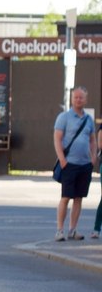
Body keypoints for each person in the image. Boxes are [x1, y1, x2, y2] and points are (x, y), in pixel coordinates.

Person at [55, 87, 95, 241]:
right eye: (76, 97)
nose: (78, 100)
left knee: (79, 198)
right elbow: (57, 138)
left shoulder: (89, 119)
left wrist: (93, 157)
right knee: (65, 197)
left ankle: (72, 230)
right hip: (69, 164)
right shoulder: (64, 117)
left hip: (85, 165)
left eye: (81, 97)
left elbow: (92, 140)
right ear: (72, 99)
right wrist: (62, 159)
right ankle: (60, 230)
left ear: (86, 99)